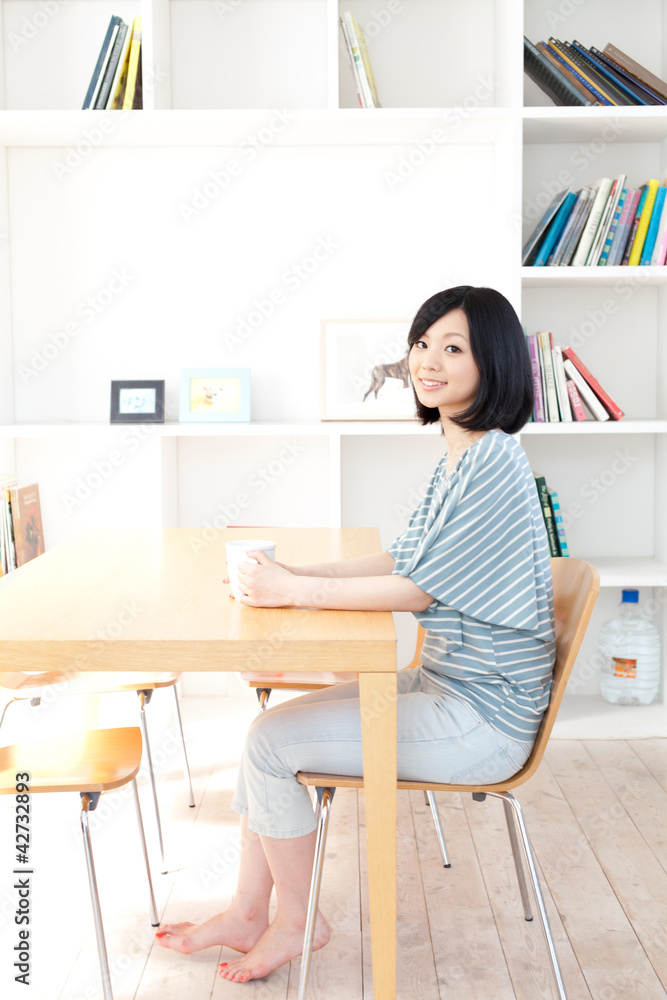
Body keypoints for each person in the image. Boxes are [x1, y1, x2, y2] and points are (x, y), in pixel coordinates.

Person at [155, 285, 556, 983]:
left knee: (269, 742)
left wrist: (297, 591)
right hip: (450, 688)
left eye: (452, 348)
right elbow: (406, 558)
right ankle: (250, 913)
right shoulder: (462, 454)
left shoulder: (490, 460)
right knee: (270, 733)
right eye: (422, 344)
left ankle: (295, 923)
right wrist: (300, 573)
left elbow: (417, 591)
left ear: (493, 364)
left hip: (482, 717)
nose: (427, 362)